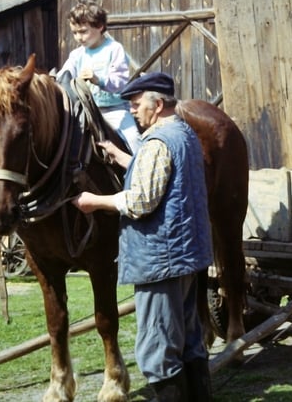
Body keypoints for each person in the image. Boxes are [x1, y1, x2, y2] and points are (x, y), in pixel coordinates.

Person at [71, 72, 213, 401]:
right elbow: (167, 172)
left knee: (158, 349)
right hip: (187, 257)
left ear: (158, 105)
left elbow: (140, 202)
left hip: (160, 260)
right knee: (190, 340)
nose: (133, 111)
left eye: (137, 105)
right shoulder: (184, 134)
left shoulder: (156, 143)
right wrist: (124, 159)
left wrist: (95, 202)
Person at [58, 0, 141, 153]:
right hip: (86, 110)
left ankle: (141, 170)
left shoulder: (114, 49)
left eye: (83, 32)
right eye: (75, 33)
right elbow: (65, 75)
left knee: (133, 138)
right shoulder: (77, 54)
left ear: (100, 27)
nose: (78, 37)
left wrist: (98, 80)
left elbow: (120, 82)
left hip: (114, 110)